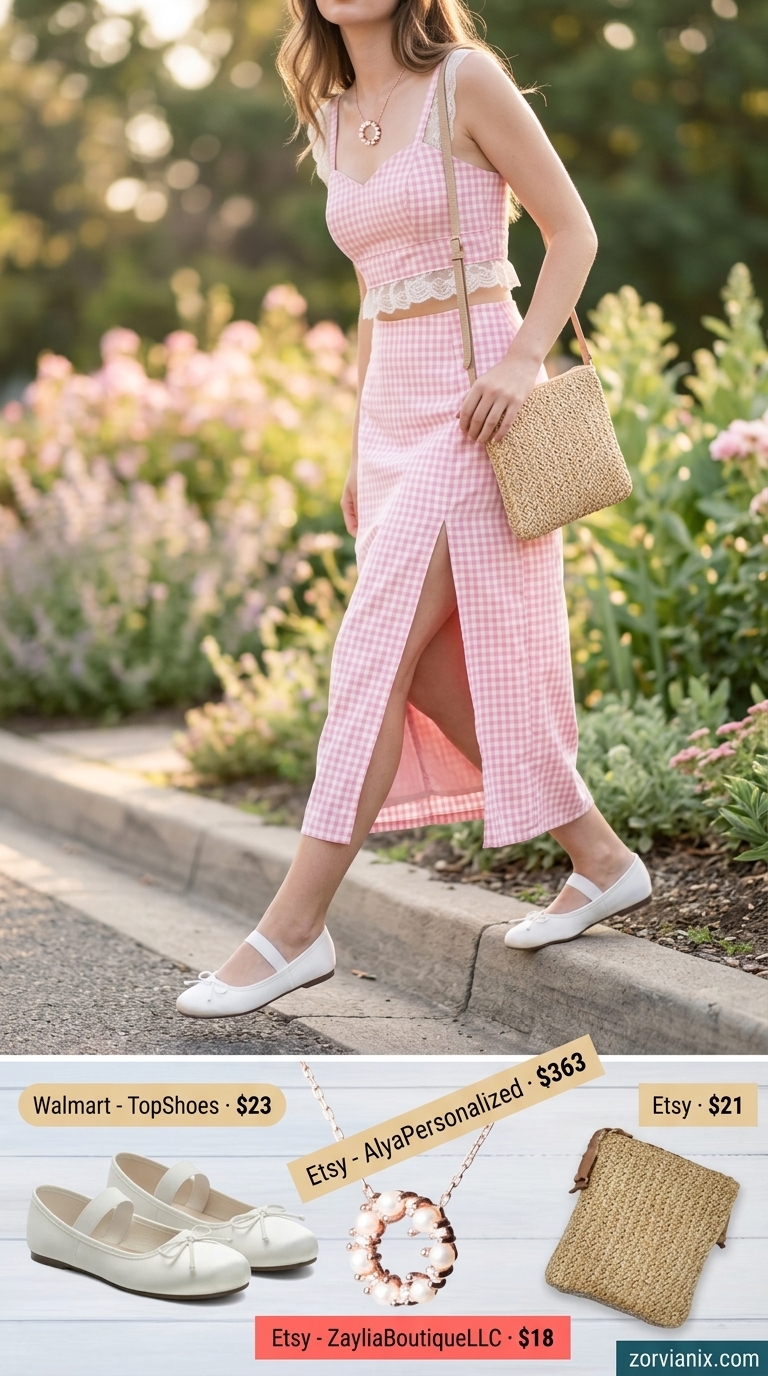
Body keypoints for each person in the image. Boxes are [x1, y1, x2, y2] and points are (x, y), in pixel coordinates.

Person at [176, 0, 651, 1021]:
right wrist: (357, 442)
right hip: (392, 415)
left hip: (476, 410)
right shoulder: (331, 111)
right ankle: (601, 858)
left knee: (370, 656)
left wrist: (525, 363)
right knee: (429, 670)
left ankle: (291, 931)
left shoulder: (465, 80)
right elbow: (370, 292)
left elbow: (574, 230)